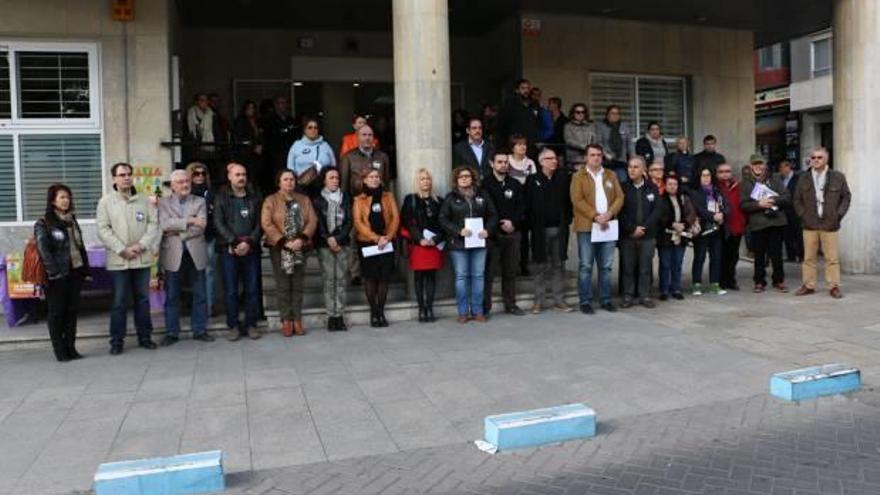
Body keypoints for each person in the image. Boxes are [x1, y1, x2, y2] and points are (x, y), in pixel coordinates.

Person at [96, 162, 160, 355]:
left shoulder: (144, 200)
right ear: (114, 178)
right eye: (122, 174)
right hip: (119, 260)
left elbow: (153, 224)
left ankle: (145, 337)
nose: (126, 177)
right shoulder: (106, 202)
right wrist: (122, 249)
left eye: (129, 174)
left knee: (142, 300)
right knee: (119, 301)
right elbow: (103, 229)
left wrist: (141, 246)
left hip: (141, 258)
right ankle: (116, 341)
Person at [34, 184, 90, 361]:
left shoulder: (72, 219)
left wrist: (85, 270)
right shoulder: (44, 223)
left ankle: (71, 348)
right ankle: (60, 351)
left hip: (75, 272)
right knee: (57, 313)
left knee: (72, 311)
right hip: (57, 275)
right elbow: (44, 251)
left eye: (68, 197)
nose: (66, 201)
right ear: (52, 201)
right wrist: (54, 274)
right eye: (62, 197)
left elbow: (79, 246)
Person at [158, 170, 214, 346]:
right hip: (173, 253)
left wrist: (176, 231)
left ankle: (200, 330)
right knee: (172, 295)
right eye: (180, 182)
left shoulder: (199, 201)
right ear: (173, 186)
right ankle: (172, 332)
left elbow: (202, 226)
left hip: (195, 252)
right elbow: (164, 225)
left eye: (186, 181)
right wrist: (189, 220)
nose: (185, 185)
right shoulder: (163, 203)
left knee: (200, 294)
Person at [261, 169, 317, 336]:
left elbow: (312, 220)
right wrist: (284, 241)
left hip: (300, 246)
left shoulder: (304, 200)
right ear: (279, 182)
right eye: (285, 180)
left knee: (298, 284)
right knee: (283, 285)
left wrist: (301, 238)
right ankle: (286, 319)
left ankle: (297, 319)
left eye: (291, 179)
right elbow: (266, 223)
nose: (289, 182)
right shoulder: (271, 200)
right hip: (279, 248)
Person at [571, 144, 624, 314]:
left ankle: (605, 299)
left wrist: (609, 213)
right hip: (588, 226)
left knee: (606, 266)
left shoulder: (611, 175)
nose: (596, 158)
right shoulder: (578, 176)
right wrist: (595, 216)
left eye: (599, 155)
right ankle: (585, 300)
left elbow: (620, 197)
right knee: (586, 265)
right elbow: (577, 200)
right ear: (586, 157)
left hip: (608, 226)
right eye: (592, 155)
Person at [440, 166, 497, 323]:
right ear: (456, 180)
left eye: (467, 176)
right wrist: (458, 230)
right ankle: (463, 312)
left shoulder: (483, 195)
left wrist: (488, 230)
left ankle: (478, 311)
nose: (465, 178)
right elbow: (443, 219)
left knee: (478, 276)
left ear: (472, 178)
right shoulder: (450, 198)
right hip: (458, 245)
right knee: (461, 277)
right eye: (461, 176)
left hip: (479, 242)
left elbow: (493, 215)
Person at [793, 147, 851, 299]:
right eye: (813, 157)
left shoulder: (838, 177)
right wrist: (803, 215)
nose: (816, 160)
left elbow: (846, 197)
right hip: (810, 223)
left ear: (826, 159)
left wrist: (838, 215)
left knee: (831, 258)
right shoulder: (803, 177)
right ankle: (808, 285)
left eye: (819, 157)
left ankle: (834, 286)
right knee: (808, 258)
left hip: (829, 224)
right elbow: (797, 199)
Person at [214, 163, 263, 341]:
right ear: (229, 177)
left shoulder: (254, 196)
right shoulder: (221, 197)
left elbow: (260, 223)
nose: (241, 178)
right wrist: (234, 242)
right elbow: (218, 223)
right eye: (237, 175)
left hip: (251, 248)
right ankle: (233, 325)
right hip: (229, 249)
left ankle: (251, 324)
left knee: (251, 289)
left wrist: (249, 241)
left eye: (243, 174)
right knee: (231, 290)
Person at [525, 148, 573, 313]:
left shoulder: (563, 178)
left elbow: (569, 203)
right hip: (540, 231)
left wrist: (567, 221)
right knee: (539, 265)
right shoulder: (532, 180)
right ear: (541, 162)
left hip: (559, 229)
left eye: (555, 158)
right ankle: (538, 301)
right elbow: (527, 205)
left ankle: (559, 300)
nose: (554, 161)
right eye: (550, 158)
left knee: (559, 265)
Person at [481, 150, 526, 316]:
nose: (503, 165)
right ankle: (485, 307)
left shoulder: (515, 184)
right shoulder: (484, 185)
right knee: (489, 273)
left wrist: (513, 223)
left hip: (512, 234)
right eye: (499, 162)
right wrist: (498, 224)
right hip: (493, 235)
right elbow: (484, 209)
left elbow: (522, 207)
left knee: (510, 271)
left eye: (506, 162)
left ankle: (511, 304)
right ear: (492, 164)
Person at [353, 169, 400, 327]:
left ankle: (381, 311)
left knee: (384, 278)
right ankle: (373, 312)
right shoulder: (358, 200)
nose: (374, 179)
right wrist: (375, 238)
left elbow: (395, 218)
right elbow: (358, 222)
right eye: (371, 177)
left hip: (387, 242)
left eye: (377, 177)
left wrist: (388, 236)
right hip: (367, 242)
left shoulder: (388, 196)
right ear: (364, 180)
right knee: (371, 278)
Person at [740, 154, 790, 293]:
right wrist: (759, 204)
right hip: (758, 223)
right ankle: (759, 281)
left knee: (777, 255)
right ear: (751, 166)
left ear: (765, 165)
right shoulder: (746, 183)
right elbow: (743, 205)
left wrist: (773, 200)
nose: (758, 166)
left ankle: (779, 280)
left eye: (760, 164)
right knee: (759, 255)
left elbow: (787, 197)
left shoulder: (774, 178)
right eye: (755, 164)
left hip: (776, 221)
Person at [400, 168, 444, 322]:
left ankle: (430, 309)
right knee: (419, 278)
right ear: (417, 182)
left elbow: (443, 224)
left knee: (431, 277)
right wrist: (420, 239)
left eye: (428, 178)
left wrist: (436, 239)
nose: (426, 181)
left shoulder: (438, 201)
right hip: (418, 246)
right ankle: (421, 309)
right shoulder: (410, 199)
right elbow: (407, 222)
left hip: (434, 245)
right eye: (422, 179)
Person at [618, 156, 662, 308]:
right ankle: (627, 295)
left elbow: (657, 210)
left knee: (645, 267)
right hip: (628, 235)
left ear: (643, 170)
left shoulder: (652, 188)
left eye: (636, 167)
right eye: (630, 166)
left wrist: (644, 228)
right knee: (628, 267)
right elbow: (620, 212)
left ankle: (645, 295)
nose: (632, 170)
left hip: (647, 236)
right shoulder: (623, 187)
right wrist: (632, 229)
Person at [313, 167, 353, 331]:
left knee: (341, 280)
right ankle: (331, 315)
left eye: (337, 177)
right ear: (324, 180)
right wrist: (328, 238)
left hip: (342, 242)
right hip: (324, 243)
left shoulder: (345, 198)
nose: (335, 180)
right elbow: (317, 222)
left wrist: (338, 238)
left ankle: (339, 315)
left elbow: (349, 221)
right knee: (330, 280)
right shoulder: (317, 199)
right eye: (331, 178)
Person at [657, 174, 698, 301]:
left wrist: (684, 224)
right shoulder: (660, 199)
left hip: (681, 235)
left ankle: (676, 288)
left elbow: (691, 213)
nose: (672, 186)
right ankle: (664, 290)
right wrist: (672, 224)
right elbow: (659, 215)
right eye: (670, 184)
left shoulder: (683, 198)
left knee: (677, 263)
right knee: (665, 263)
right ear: (665, 185)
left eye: (675, 184)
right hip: (666, 236)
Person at [690, 167, 729, 296]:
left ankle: (714, 284)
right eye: (703, 175)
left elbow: (726, 206)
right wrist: (713, 216)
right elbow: (699, 209)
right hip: (702, 229)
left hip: (717, 230)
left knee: (716, 257)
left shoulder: (717, 191)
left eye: (708, 175)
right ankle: (696, 284)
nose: (706, 178)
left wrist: (723, 214)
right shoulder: (695, 192)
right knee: (699, 257)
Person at [186, 162, 219, 315]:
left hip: (209, 236)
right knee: (192, 272)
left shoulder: (211, 193)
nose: (200, 177)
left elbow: (216, 214)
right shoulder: (184, 193)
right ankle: (195, 306)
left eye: (202, 174)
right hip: (190, 238)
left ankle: (208, 307)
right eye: (196, 174)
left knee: (209, 272)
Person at [287, 117, 336, 197]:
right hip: (302, 187)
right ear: (304, 130)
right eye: (309, 127)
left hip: (322, 186)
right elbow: (290, 167)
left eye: (315, 127)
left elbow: (333, 165)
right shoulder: (297, 145)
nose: (313, 130)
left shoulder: (325, 145)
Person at [716, 163, 746, 291]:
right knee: (722, 255)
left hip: (737, 225)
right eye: (721, 171)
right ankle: (721, 280)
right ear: (717, 174)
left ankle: (731, 280)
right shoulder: (714, 188)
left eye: (727, 171)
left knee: (734, 255)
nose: (725, 174)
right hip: (721, 227)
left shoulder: (738, 187)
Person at [339, 124, 391, 197]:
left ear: (373, 137)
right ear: (357, 137)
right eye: (364, 135)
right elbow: (344, 186)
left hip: (379, 200)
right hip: (357, 201)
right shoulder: (348, 157)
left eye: (370, 135)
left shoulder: (383, 157)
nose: (367, 138)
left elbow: (386, 184)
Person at [497, 79, 540, 158]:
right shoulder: (509, 105)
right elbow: (502, 125)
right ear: (517, 90)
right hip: (514, 144)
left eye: (527, 88)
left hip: (531, 146)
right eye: (523, 88)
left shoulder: (534, 104)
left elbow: (537, 124)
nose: (526, 91)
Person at [595, 105, 634, 183]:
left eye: (617, 113)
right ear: (607, 115)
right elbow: (598, 142)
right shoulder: (601, 127)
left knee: (623, 183)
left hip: (621, 161)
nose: (615, 115)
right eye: (612, 113)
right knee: (608, 184)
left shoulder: (624, 126)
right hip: (606, 161)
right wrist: (605, 154)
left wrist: (633, 158)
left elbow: (630, 144)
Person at [261, 95, 297, 179]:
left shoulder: (290, 120)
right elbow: (266, 138)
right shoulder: (269, 120)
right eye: (280, 103)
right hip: (275, 156)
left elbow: (294, 135)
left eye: (284, 103)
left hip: (290, 153)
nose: (282, 105)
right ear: (275, 105)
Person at [231, 100, 264, 189]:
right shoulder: (240, 121)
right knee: (247, 175)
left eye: (253, 108)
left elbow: (262, 135)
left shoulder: (258, 121)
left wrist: (260, 145)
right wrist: (253, 147)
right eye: (249, 108)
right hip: (244, 154)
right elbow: (240, 138)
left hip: (257, 156)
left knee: (256, 176)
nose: (251, 110)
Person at [775, 160, 803, 262]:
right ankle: (790, 256)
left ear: (787, 167)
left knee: (798, 234)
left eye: (781, 168)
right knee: (787, 234)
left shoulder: (798, 179)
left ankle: (801, 255)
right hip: (784, 211)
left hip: (795, 210)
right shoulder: (780, 180)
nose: (780, 171)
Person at [186, 93, 218, 181]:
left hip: (210, 148)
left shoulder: (211, 113)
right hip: (196, 149)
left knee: (209, 171)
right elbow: (190, 132)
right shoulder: (191, 113)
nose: (205, 102)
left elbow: (216, 131)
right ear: (196, 102)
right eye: (202, 100)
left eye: (206, 100)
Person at [563, 103, 597, 171]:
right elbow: (569, 141)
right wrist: (585, 147)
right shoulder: (568, 126)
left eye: (583, 112)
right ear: (573, 113)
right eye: (578, 112)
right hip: (574, 158)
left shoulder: (591, 126)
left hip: (589, 156)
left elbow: (595, 140)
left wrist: (589, 152)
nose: (580, 114)